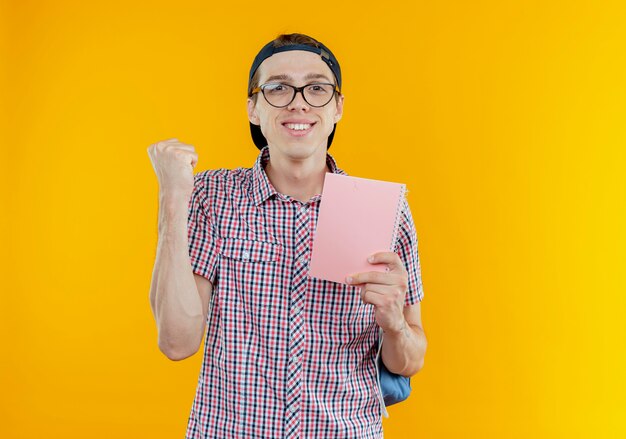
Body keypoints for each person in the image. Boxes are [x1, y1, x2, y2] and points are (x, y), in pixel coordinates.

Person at [147, 33, 427, 439]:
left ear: (338, 108)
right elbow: (177, 342)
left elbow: (410, 360)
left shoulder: (384, 209)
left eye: (316, 88)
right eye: (278, 88)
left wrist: (394, 325)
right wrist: (173, 200)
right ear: (253, 109)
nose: (298, 102)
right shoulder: (212, 196)